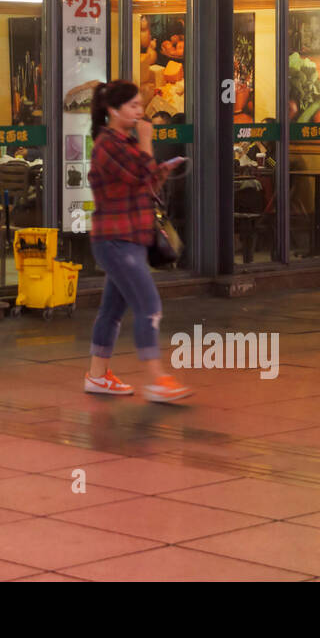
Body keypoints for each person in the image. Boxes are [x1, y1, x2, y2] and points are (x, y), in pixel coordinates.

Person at [84, 80, 192, 403]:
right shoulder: (108, 145)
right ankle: (158, 378)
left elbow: (140, 180)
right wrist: (147, 142)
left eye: (139, 105)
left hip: (129, 236)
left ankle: (97, 375)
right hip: (116, 238)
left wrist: (160, 171)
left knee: (112, 310)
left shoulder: (124, 143)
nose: (139, 112)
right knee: (149, 306)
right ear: (113, 110)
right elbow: (140, 172)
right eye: (132, 106)